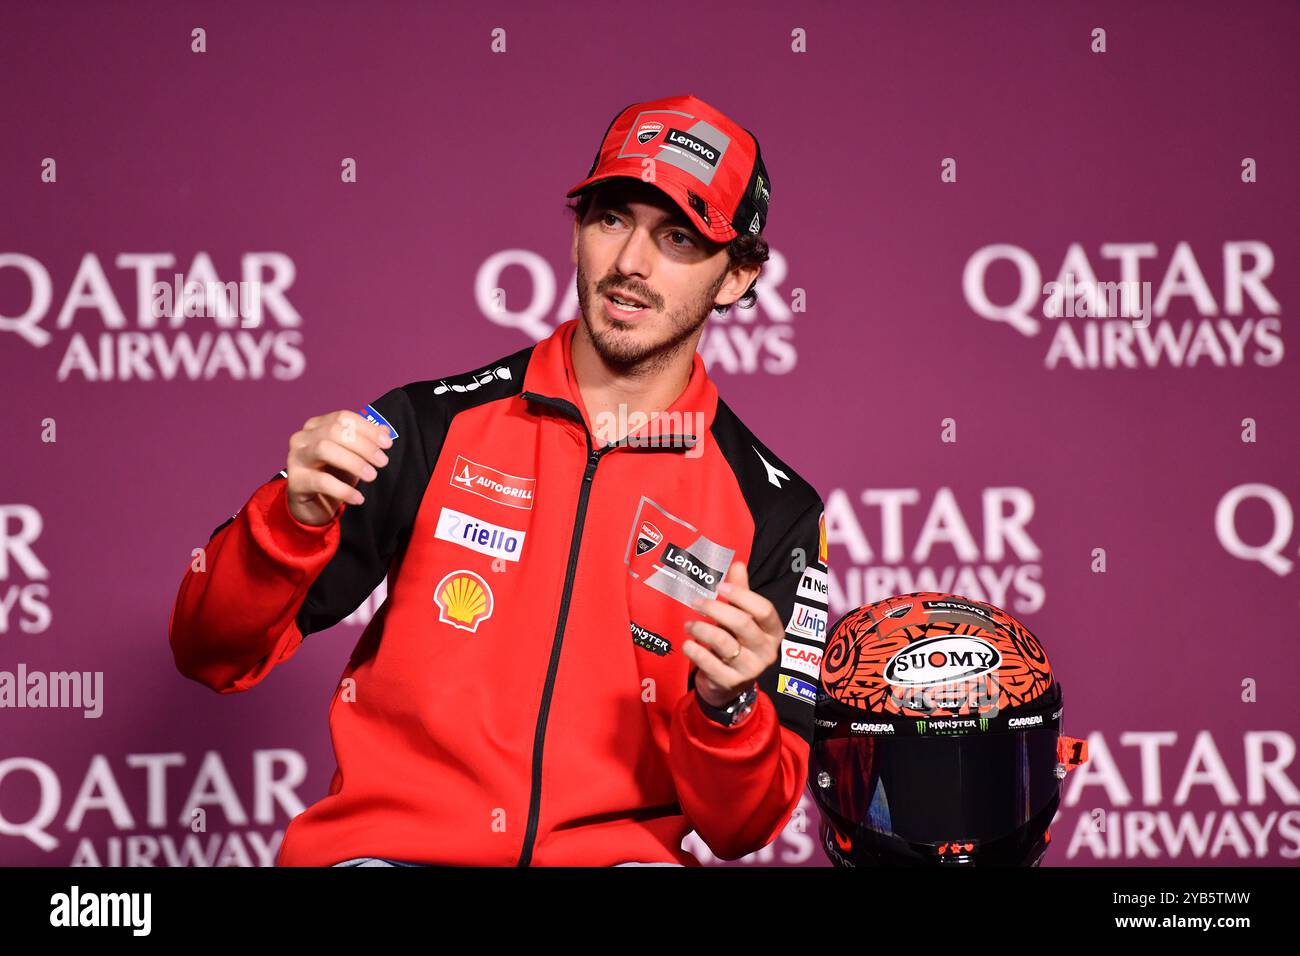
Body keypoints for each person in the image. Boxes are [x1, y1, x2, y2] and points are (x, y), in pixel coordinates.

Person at [168, 93, 829, 867]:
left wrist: (729, 708)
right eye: (611, 220)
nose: (629, 266)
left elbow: (741, 828)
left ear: (737, 275)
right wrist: (289, 521)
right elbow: (207, 651)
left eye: (678, 238)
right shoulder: (425, 426)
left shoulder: (775, 509)